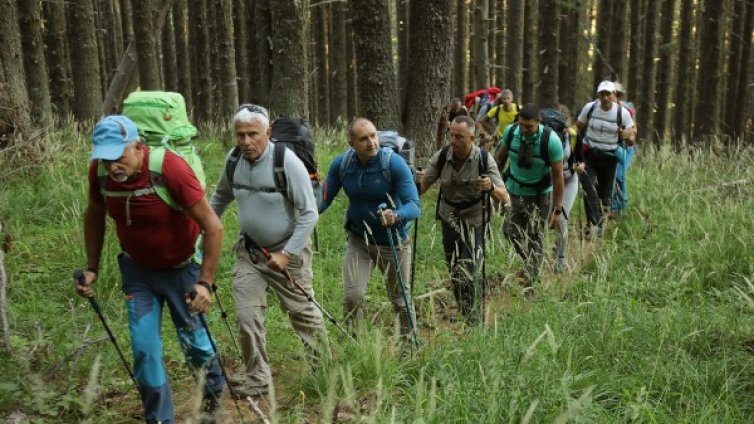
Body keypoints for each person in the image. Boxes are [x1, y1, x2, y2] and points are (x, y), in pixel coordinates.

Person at [76, 115, 225, 424]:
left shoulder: (169, 168)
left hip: (182, 270)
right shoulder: (100, 174)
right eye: (105, 158)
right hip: (137, 273)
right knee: (144, 350)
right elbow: (94, 215)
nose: (112, 165)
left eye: (119, 156)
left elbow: (213, 226)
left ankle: (211, 394)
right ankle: (159, 419)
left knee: (195, 345)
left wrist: (205, 283)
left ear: (138, 147)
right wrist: (92, 267)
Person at [210, 104, 325, 399]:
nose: (246, 142)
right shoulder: (233, 159)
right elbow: (220, 198)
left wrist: (287, 254)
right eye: (240, 135)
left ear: (268, 132)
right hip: (250, 253)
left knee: (302, 314)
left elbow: (309, 213)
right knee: (247, 317)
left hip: (289, 253)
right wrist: (203, 229)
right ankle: (257, 380)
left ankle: (324, 372)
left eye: (253, 134)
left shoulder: (286, 162)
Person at [319, 117, 421, 339]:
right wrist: (303, 215)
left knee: (400, 301)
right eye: (363, 139)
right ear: (351, 142)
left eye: (373, 136)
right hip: (359, 241)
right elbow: (324, 200)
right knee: (352, 297)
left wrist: (396, 215)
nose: (371, 143)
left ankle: (410, 350)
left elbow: (415, 206)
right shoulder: (342, 165)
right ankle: (356, 345)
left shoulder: (394, 163)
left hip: (393, 242)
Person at [417, 115, 509, 324]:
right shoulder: (442, 156)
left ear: (472, 139)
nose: (454, 141)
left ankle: (474, 319)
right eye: (452, 135)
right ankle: (466, 310)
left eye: (459, 137)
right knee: (455, 270)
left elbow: (504, 195)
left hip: (475, 218)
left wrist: (491, 188)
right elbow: (422, 189)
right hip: (449, 217)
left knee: (470, 269)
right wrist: (416, 180)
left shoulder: (484, 159)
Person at [496, 103, 564, 291]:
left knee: (536, 236)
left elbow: (558, 177)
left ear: (539, 122)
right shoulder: (511, 132)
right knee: (509, 231)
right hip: (513, 191)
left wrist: (557, 209)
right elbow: (499, 160)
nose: (524, 130)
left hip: (540, 196)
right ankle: (529, 264)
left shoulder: (551, 141)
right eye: (521, 125)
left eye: (529, 126)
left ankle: (531, 281)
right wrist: (495, 189)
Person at [575, 81, 635, 235]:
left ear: (614, 95)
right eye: (602, 94)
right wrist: (574, 150)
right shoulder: (590, 108)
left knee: (605, 193)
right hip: (590, 155)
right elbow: (578, 128)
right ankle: (591, 225)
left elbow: (631, 136)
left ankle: (600, 224)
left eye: (609, 94)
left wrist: (627, 135)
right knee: (589, 189)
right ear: (598, 95)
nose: (606, 97)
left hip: (610, 158)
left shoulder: (622, 113)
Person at [552, 105, 580, 273]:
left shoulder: (574, 135)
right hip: (549, 182)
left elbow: (581, 157)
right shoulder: (545, 136)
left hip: (569, 180)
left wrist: (579, 165)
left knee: (561, 218)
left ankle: (560, 261)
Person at [610, 82, 638, 215]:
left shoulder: (626, 110)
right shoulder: (601, 110)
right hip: (611, 148)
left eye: (614, 94)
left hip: (626, 148)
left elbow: (633, 130)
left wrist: (628, 135)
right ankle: (614, 208)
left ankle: (623, 207)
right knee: (611, 177)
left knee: (620, 177)